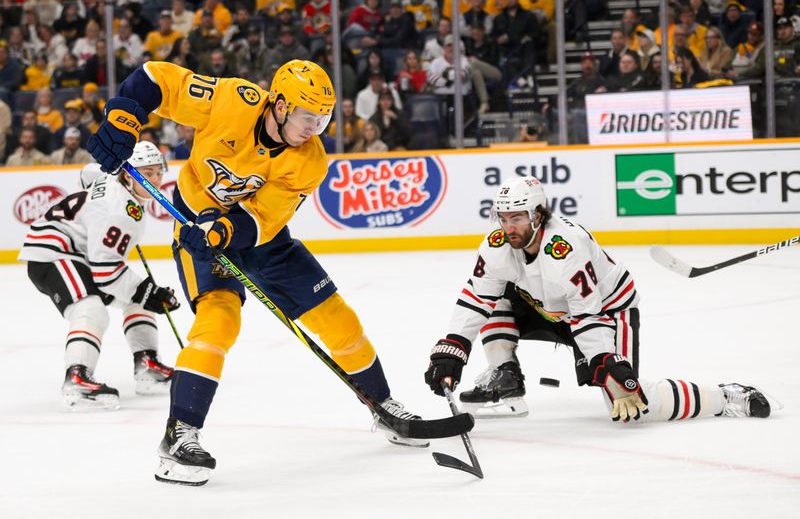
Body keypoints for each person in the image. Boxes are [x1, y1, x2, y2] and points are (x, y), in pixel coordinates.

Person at [86, 58, 430, 486]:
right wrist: (124, 119)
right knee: (218, 320)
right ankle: (180, 435)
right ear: (281, 105)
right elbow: (158, 79)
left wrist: (223, 231)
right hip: (196, 225)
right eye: (308, 117)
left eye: (322, 120)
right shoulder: (231, 99)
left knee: (335, 316)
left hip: (260, 239)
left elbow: (263, 219)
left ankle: (383, 405)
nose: (314, 129)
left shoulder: (310, 159)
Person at [423, 177, 772, 425]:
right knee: (496, 294)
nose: (507, 226)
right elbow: (475, 299)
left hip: (606, 311)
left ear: (538, 215)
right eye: (502, 218)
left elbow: (588, 315)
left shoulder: (566, 247)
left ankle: (725, 396)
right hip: (549, 308)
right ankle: (506, 378)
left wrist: (606, 362)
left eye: (516, 218)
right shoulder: (498, 245)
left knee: (631, 404)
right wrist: (452, 348)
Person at [17, 141, 178, 410]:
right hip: (53, 253)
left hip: (79, 252)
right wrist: (151, 293)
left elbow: (87, 173)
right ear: (129, 174)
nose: (156, 180)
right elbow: (107, 273)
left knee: (133, 298)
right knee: (91, 309)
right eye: (146, 174)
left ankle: (147, 364)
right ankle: (77, 378)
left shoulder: (110, 176)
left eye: (158, 172)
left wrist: (143, 293)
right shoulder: (119, 211)